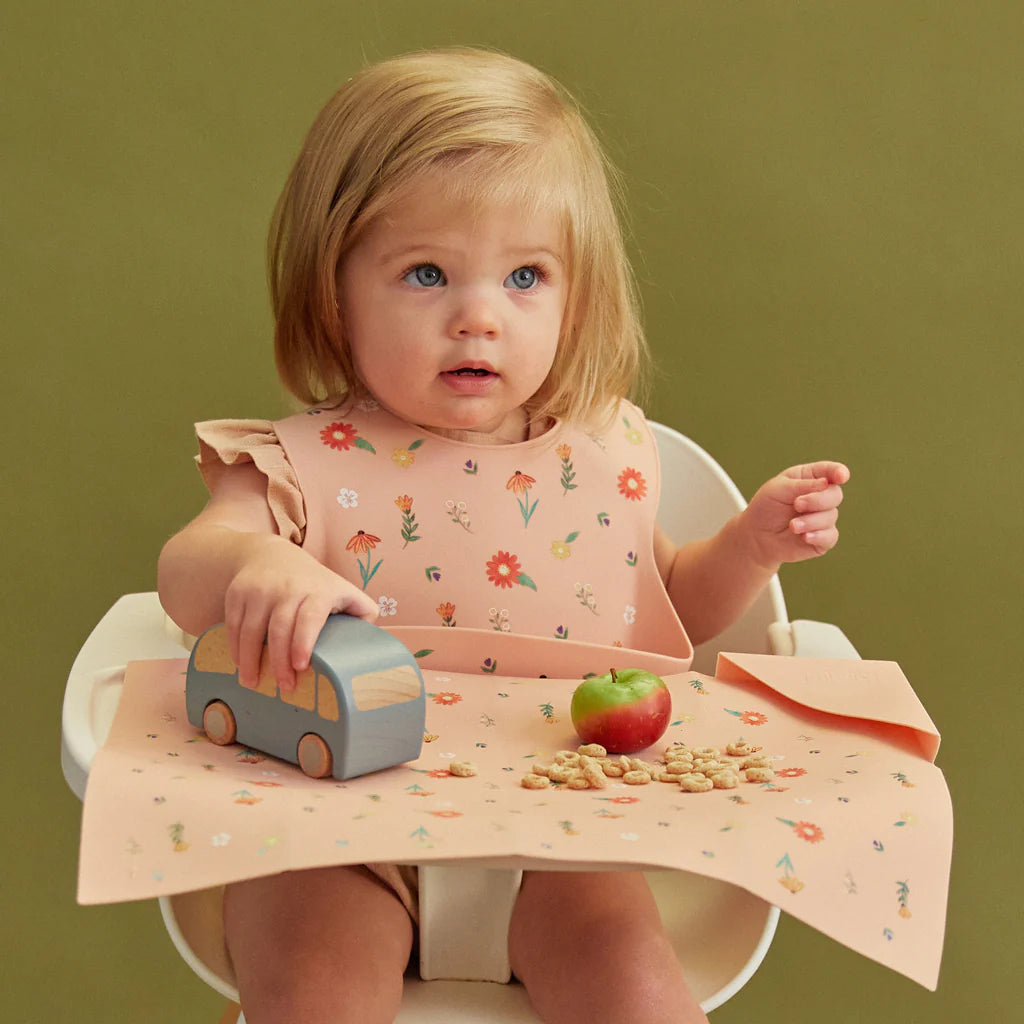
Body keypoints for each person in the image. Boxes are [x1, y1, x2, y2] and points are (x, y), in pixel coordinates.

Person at [158, 47, 848, 1024]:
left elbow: (665, 617)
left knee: (639, 995)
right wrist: (255, 561)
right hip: (336, 825)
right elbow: (187, 577)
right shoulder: (292, 466)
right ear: (332, 291)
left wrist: (750, 545)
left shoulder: (600, 458)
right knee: (311, 993)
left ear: (575, 296)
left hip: (559, 836)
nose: (477, 316)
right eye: (427, 273)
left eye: (524, 275)